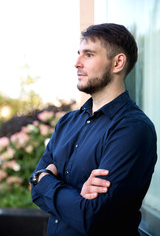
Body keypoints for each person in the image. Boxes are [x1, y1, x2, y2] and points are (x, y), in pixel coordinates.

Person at [30, 23, 157, 236]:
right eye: (79, 54)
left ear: (118, 62)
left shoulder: (133, 129)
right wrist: (71, 194)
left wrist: (46, 181)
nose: (76, 63)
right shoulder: (67, 122)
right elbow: (34, 191)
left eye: (88, 55)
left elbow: (91, 216)